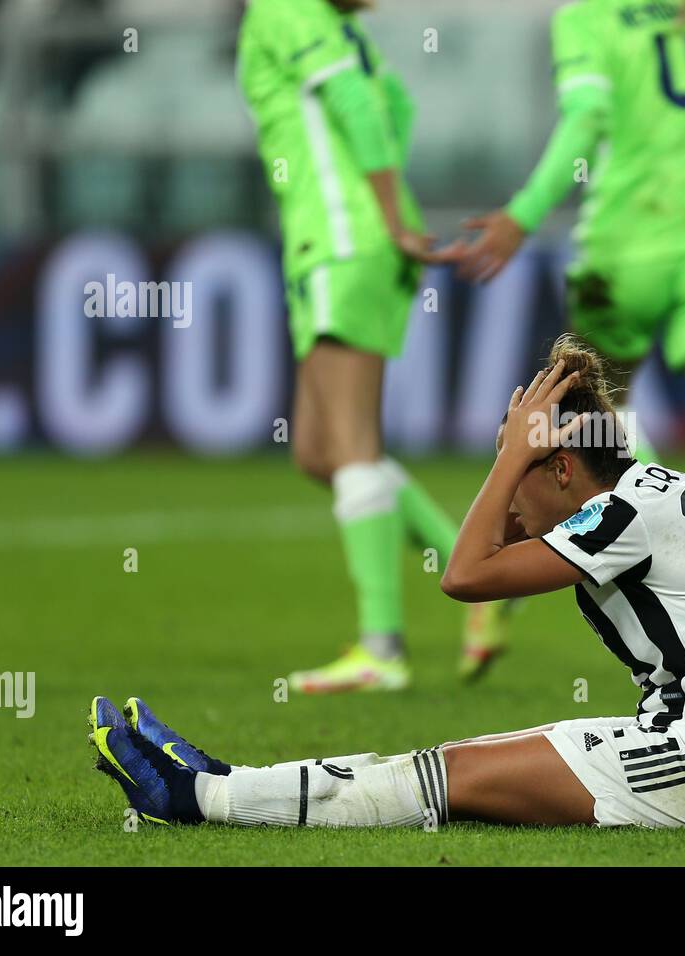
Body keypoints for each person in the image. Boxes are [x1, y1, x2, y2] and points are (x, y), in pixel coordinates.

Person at [87, 338, 685, 830]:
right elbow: (491, 546)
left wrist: (510, 460)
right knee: (450, 768)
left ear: (562, 468)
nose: (505, 491)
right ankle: (223, 782)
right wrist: (518, 456)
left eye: (517, 469)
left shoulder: (623, 515)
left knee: (448, 779)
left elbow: (464, 573)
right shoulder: (648, 494)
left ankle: (199, 797)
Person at [456, 0, 685, 638]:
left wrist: (523, 214)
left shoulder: (588, 19)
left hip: (621, 253)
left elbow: (585, 117)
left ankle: (634, 562)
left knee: (596, 430)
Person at [237, 0, 508, 690]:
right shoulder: (343, 28)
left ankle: (381, 648)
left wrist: (381, 215)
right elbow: (397, 105)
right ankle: (469, 559)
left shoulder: (282, 11)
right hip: (357, 241)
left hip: (340, 239)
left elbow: (360, 107)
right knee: (318, 450)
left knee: (351, 446)